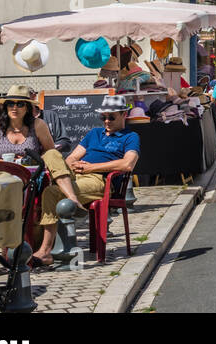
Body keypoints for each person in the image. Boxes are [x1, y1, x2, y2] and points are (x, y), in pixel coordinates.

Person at [33, 95, 140, 266]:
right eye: (103, 117)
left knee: (50, 192)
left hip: (100, 181)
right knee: (51, 154)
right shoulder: (94, 133)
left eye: (111, 117)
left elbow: (128, 164)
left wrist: (91, 168)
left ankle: (45, 250)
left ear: (123, 115)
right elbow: (71, 158)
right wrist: (74, 165)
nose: (106, 121)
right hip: (76, 176)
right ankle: (72, 201)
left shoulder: (130, 136)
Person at [0, 85, 83, 204]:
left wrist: (30, 159)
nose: (14, 108)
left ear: (27, 108)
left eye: (20, 104)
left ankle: (72, 199)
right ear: (6, 107)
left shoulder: (38, 125)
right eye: (10, 104)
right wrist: (5, 162)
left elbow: (50, 153)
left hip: (32, 176)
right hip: (3, 176)